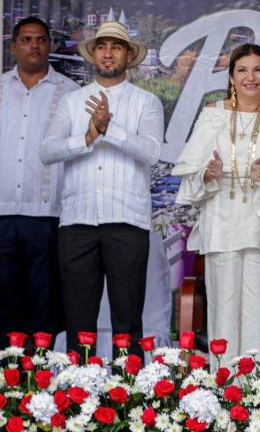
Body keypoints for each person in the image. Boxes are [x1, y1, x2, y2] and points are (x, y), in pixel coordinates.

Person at [173, 44, 260, 361]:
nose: (250, 77)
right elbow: (191, 179)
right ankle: (223, 389)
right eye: (242, 70)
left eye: (258, 70)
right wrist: (206, 174)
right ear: (231, 77)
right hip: (221, 223)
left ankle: (259, 394)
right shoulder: (213, 114)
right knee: (222, 310)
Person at [41, 21, 164, 357]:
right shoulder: (71, 102)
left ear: (128, 55)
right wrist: (87, 138)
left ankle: (133, 405)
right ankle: (80, 401)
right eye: (102, 46)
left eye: (116, 47)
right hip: (76, 224)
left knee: (128, 322)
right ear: (93, 54)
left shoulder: (146, 102)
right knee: (79, 323)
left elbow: (152, 153)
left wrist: (111, 129)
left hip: (128, 222)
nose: (108, 53)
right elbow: (47, 151)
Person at [0, 17, 79, 348]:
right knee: (4, 300)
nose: (34, 45)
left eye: (41, 39)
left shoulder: (70, 94)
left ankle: (40, 379)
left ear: (50, 45)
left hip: (48, 214)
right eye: (26, 39)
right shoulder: (1, 88)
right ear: (13, 45)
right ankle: (6, 381)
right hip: (2, 213)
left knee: (44, 302)